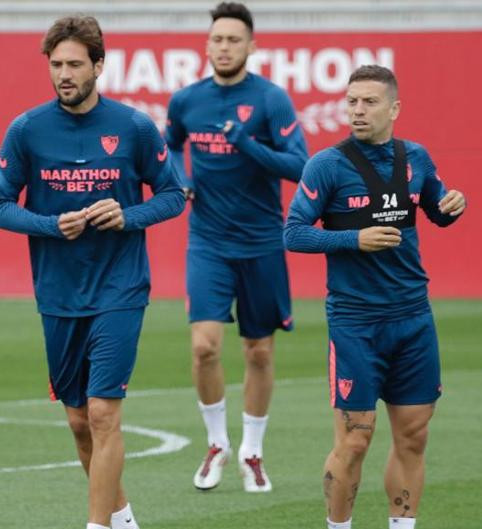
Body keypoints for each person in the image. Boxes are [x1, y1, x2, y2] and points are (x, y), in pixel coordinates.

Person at [0, 15, 185, 529]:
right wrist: (52, 224)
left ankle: (95, 525)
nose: (64, 75)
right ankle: (122, 519)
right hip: (57, 291)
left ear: (99, 65)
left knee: (103, 414)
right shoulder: (26, 130)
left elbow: (172, 195)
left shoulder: (134, 127)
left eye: (75, 64)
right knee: (79, 423)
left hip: (120, 286)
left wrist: (127, 216)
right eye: (56, 65)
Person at [284, 65, 466, 529]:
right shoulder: (327, 164)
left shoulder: (417, 158)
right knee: (355, 441)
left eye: (368, 102)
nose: (357, 111)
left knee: (414, 436)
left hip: (412, 318)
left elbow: (436, 209)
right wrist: (353, 240)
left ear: (394, 108)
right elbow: (293, 232)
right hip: (355, 322)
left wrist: (452, 206)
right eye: (351, 102)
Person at [164, 1, 308, 491]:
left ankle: (252, 450)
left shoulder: (271, 100)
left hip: (263, 241)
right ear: (207, 46)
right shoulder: (186, 100)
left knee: (259, 352)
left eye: (233, 39)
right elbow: (170, 145)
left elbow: (299, 166)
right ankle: (216, 443)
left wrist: (246, 142)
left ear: (251, 46)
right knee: (204, 347)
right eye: (216, 39)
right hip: (208, 242)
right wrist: (180, 180)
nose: (223, 47)